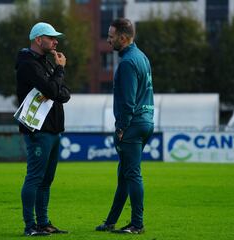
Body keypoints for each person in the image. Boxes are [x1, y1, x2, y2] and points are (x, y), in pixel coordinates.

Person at [95, 18, 154, 234]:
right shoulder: (142, 58)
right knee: (125, 175)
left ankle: (137, 224)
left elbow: (128, 102)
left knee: (132, 174)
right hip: (146, 121)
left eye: (111, 37)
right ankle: (111, 221)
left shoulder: (128, 62)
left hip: (133, 124)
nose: (108, 40)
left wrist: (121, 128)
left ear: (122, 37)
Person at [15, 22, 70, 236]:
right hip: (38, 131)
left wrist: (55, 85)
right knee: (35, 178)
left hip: (53, 130)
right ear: (39, 39)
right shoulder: (29, 63)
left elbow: (63, 93)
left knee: (46, 180)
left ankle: (43, 222)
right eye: (51, 37)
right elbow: (52, 89)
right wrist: (60, 70)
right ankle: (30, 226)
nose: (56, 41)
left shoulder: (44, 62)